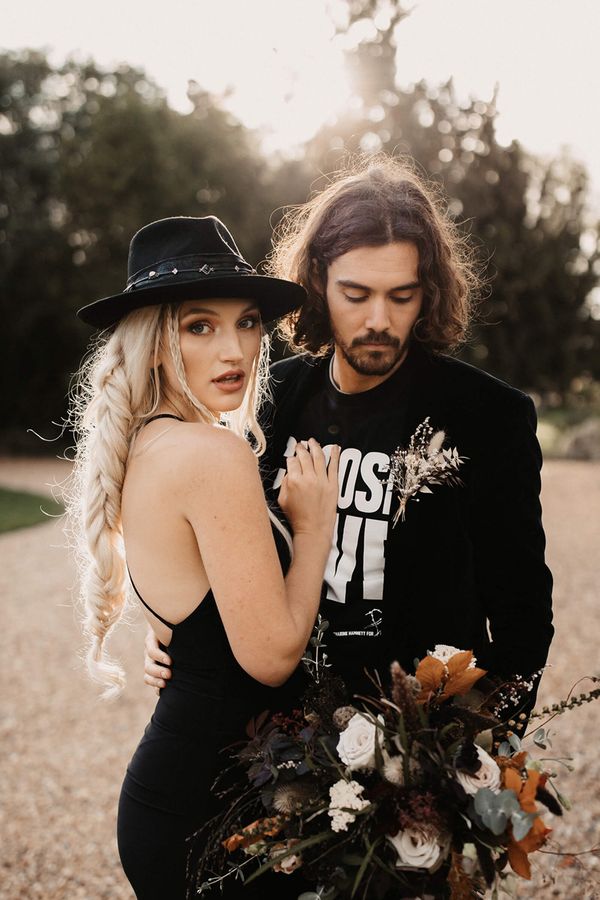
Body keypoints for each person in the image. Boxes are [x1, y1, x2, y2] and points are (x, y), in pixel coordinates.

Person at [145, 157, 554, 731]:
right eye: (356, 295)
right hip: (277, 739)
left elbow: (522, 615)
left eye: (402, 296)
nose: (379, 320)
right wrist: (180, 639)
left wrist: (477, 748)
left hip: (421, 739)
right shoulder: (266, 402)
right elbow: (225, 560)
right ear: (317, 283)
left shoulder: (488, 415)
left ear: (428, 292)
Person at [67, 214, 339, 899]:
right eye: (200, 326)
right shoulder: (213, 454)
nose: (235, 349)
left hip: (179, 796)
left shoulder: (148, 443)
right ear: (156, 344)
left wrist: (178, 650)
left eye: (246, 322)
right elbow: (271, 657)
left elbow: (192, 615)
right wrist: (313, 530)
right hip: (207, 811)